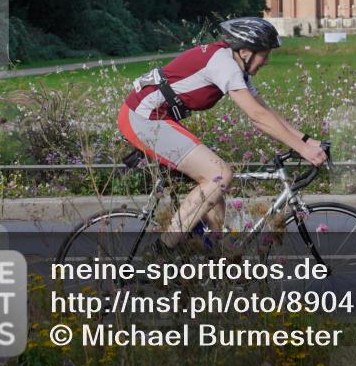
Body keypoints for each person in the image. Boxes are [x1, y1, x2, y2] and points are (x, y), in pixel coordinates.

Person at [117, 17, 327, 257]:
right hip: (142, 117)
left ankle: (211, 262)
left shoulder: (233, 64)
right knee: (220, 175)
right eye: (265, 54)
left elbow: (265, 111)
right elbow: (256, 116)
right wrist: (303, 150)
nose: (267, 61)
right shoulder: (223, 64)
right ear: (246, 51)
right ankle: (159, 253)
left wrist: (307, 141)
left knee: (214, 189)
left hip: (157, 118)